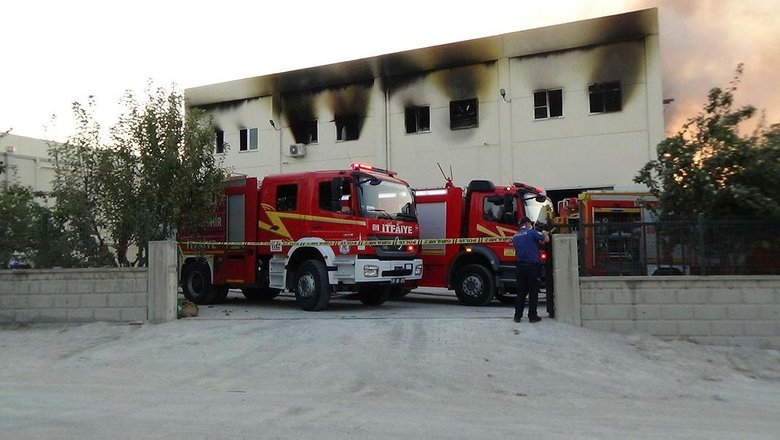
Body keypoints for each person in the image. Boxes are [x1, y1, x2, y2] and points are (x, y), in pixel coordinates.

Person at [512, 216, 550, 323]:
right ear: (528, 223)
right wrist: (544, 232)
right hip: (532, 267)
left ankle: (517, 316)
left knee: (521, 292)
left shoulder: (515, 236)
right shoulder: (532, 232)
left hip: (520, 267)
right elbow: (546, 239)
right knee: (533, 292)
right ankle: (532, 316)